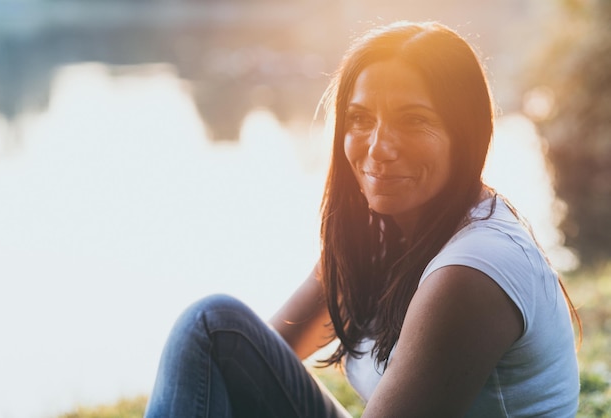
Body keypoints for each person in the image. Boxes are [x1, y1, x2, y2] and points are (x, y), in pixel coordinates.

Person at [144, 20, 581, 417]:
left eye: (413, 121)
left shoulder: (472, 272)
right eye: (360, 119)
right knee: (214, 328)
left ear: (464, 134)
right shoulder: (380, 233)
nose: (377, 148)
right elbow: (248, 359)